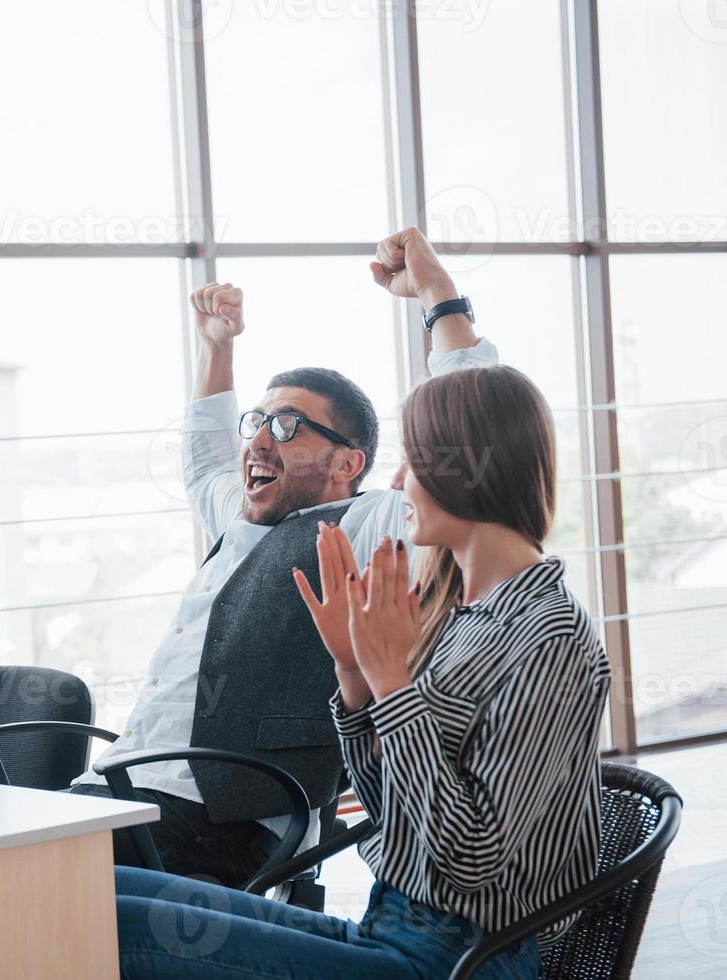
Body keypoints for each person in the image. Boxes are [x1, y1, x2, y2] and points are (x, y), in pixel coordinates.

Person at [113, 361, 610, 979]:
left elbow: (469, 860)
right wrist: (353, 678)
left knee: (108, 925)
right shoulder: (463, 622)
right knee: (96, 894)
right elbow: (394, 815)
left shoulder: (547, 632)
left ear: (471, 472)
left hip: (455, 958)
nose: (399, 481)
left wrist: (394, 685)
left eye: (417, 463)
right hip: (392, 927)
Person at [70, 228, 499, 889]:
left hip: (225, 821)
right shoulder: (238, 514)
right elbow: (206, 452)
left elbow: (471, 424)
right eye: (258, 420)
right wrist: (217, 347)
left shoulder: (368, 525)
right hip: (123, 790)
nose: (261, 439)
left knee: (42, 885)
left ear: (346, 463)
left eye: (288, 424)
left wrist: (438, 297)